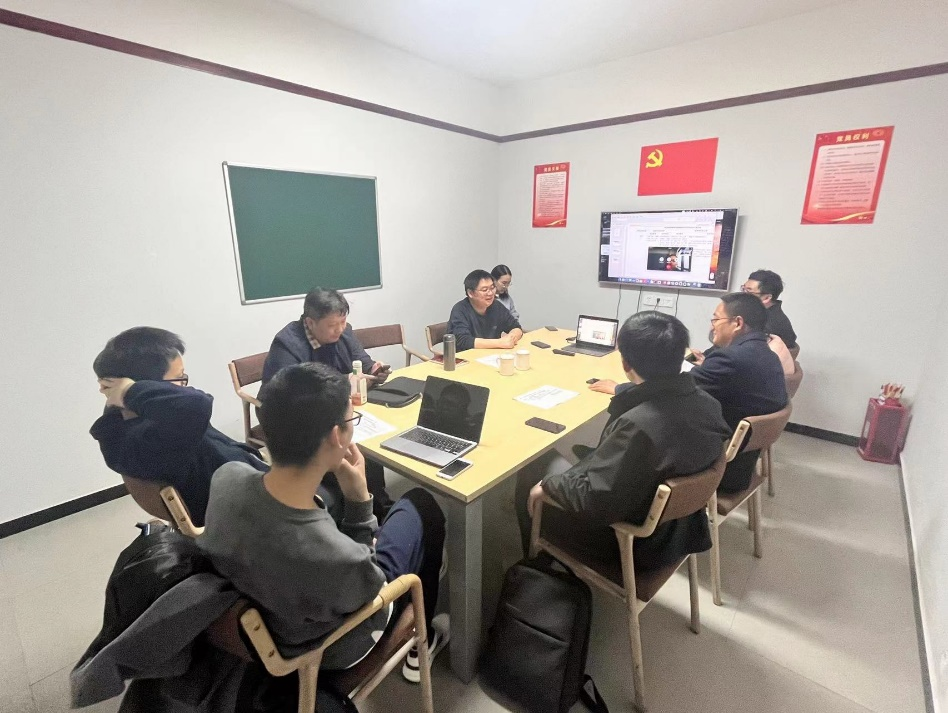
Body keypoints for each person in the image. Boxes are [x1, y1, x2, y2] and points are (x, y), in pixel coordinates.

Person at [198, 363, 449, 681]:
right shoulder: (336, 555)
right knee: (421, 504)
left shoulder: (226, 477)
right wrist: (359, 503)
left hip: (269, 614)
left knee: (337, 500)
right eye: (351, 421)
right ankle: (424, 637)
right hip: (337, 646)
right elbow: (369, 588)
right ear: (335, 436)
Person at [515, 312, 730, 571]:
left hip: (629, 542)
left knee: (536, 466)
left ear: (626, 363)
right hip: (679, 529)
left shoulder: (638, 426)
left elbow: (596, 500)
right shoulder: (710, 404)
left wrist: (548, 484)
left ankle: (537, 566)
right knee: (572, 463)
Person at [90, 327, 267, 526]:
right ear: (148, 386)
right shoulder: (151, 436)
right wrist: (129, 391)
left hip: (248, 483)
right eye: (179, 378)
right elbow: (197, 404)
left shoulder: (137, 421)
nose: (185, 387)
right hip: (249, 511)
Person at [262, 287, 393, 518]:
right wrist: (343, 382)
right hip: (306, 427)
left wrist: (374, 370)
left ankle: (378, 503)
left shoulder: (343, 332)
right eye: (333, 325)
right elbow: (283, 399)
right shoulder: (287, 344)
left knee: (367, 445)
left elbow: (362, 360)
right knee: (354, 446)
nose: (340, 329)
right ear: (310, 323)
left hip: (342, 415)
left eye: (343, 322)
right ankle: (353, 508)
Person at [690, 293, 789, 492]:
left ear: (737, 323)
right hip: (743, 465)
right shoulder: (766, 354)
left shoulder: (730, 358)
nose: (712, 326)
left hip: (716, 472)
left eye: (716, 319)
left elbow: (676, 390)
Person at [447, 269, 524, 351]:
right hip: (466, 356)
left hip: (491, 354)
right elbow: (463, 341)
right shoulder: (460, 310)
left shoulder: (496, 306)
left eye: (492, 288)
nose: (490, 293)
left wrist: (511, 337)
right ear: (471, 293)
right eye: (484, 290)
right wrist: (500, 343)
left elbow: (516, 327)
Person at [742, 269, 797, 350]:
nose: (742, 295)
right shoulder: (758, 314)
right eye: (743, 289)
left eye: (748, 292)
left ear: (767, 298)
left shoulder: (768, 325)